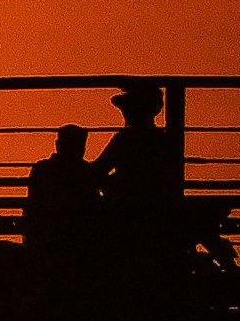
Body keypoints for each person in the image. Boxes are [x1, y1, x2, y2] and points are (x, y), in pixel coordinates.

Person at [92, 81, 181, 271]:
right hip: (154, 204)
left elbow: (99, 169)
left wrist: (108, 185)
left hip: (124, 207)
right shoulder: (162, 140)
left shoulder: (126, 139)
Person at [23, 124, 102, 279]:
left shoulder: (42, 169)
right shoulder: (85, 172)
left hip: (46, 236)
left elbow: (33, 205)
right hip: (78, 238)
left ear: (58, 145)